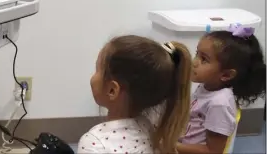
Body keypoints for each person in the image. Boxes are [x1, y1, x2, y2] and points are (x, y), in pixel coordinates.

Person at [78, 35, 192, 154]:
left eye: (98, 70)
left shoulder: (94, 142)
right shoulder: (149, 129)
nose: (93, 76)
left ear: (112, 90)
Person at [177, 24, 266, 154]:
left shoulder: (219, 103)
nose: (194, 62)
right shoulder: (208, 86)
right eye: (197, 54)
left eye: (204, 59)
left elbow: (213, 151)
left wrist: (172, 146)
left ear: (226, 75)